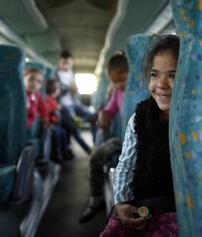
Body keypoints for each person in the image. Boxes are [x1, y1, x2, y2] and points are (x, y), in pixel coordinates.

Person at [100, 34, 179, 236]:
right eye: (154, 74)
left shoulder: (198, 123)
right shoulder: (138, 119)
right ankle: (95, 199)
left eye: (173, 75)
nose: (161, 83)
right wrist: (121, 201)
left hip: (177, 209)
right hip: (141, 205)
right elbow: (126, 163)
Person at [78, 51, 129, 223]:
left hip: (147, 142)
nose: (118, 84)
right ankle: (96, 199)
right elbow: (109, 110)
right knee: (95, 158)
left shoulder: (147, 87)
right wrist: (103, 114)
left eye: (122, 78)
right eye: (114, 81)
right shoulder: (117, 91)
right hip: (124, 141)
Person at [45, 79, 69, 162]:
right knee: (57, 134)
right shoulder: (48, 99)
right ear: (53, 90)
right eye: (58, 89)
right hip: (51, 123)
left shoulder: (54, 99)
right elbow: (47, 111)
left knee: (64, 133)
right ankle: (56, 155)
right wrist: (55, 108)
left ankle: (64, 153)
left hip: (57, 123)